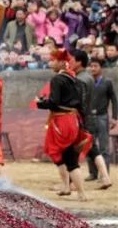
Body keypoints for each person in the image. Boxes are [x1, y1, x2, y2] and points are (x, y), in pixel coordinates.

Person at [36, 49, 93, 201]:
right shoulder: (74, 78)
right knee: (60, 154)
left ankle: (81, 193)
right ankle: (66, 186)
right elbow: (79, 104)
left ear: (61, 62)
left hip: (62, 122)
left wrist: (40, 103)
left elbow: (54, 103)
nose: (50, 63)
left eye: (53, 60)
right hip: (73, 120)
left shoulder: (57, 79)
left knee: (69, 158)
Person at [79, 54, 114, 188]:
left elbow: (114, 100)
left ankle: (105, 174)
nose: (93, 68)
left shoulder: (107, 82)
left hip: (102, 116)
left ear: (101, 68)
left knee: (104, 147)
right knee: (89, 145)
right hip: (89, 117)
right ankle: (93, 173)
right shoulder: (87, 81)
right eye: (91, 66)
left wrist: (115, 117)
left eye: (95, 66)